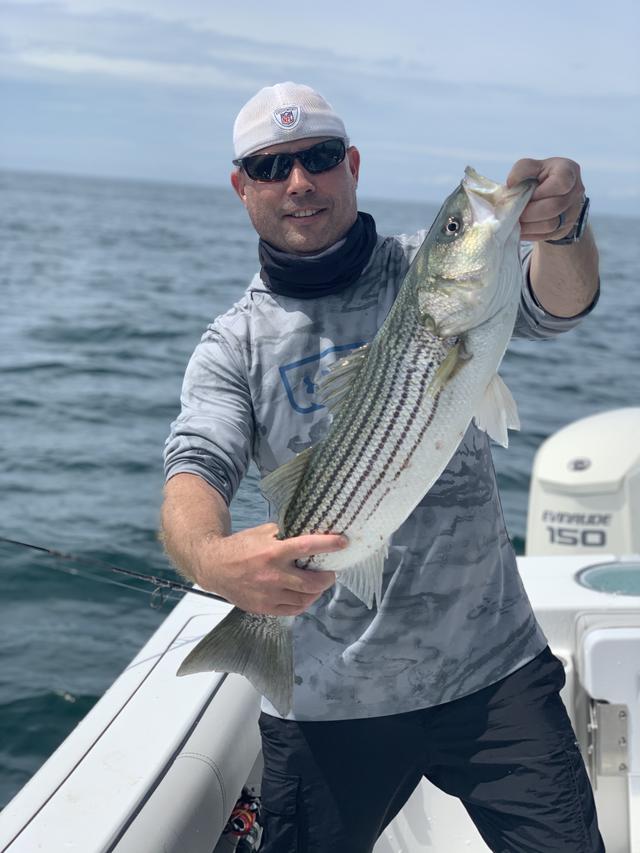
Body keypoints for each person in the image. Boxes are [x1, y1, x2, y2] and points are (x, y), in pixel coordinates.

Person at [161, 82, 604, 852]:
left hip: (493, 668)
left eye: (319, 157)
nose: (298, 182)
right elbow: (194, 467)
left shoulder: (422, 273)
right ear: (243, 189)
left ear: (352, 165)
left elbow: (559, 303)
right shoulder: (233, 343)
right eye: (271, 167)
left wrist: (563, 230)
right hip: (330, 697)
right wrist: (211, 556)